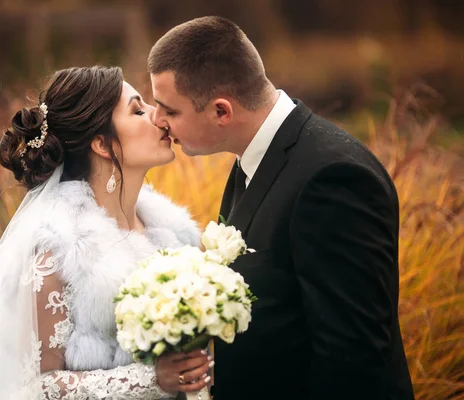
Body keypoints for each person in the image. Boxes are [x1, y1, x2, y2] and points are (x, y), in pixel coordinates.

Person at [148, 16, 414, 400]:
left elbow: (350, 360)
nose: (159, 121)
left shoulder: (333, 180)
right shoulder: (253, 157)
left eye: (169, 110)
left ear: (222, 111)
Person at [0, 66, 212, 399]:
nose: (158, 117)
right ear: (102, 143)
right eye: (138, 110)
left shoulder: (172, 232)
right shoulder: (59, 254)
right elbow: (37, 387)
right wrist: (152, 380)